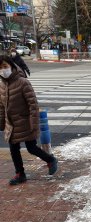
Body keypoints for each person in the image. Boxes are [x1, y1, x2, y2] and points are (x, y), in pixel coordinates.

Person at [0, 55, 58, 185]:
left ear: (12, 66)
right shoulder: (2, 85)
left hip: (25, 122)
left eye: (5, 67)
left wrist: (34, 123)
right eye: (0, 68)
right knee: (13, 149)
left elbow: (33, 105)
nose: (3, 70)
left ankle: (50, 160)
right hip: (12, 124)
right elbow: (1, 106)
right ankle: (20, 174)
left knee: (31, 148)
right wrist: (2, 122)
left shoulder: (23, 82)